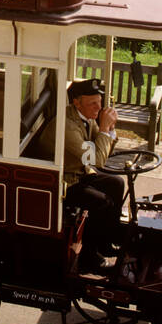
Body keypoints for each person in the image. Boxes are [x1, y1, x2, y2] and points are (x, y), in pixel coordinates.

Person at [62, 78, 125, 269]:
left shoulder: (86, 116)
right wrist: (105, 128)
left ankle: (105, 243)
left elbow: (101, 149)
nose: (98, 108)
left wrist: (109, 129)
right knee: (101, 202)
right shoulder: (68, 126)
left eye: (100, 102)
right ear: (76, 102)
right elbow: (96, 160)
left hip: (79, 172)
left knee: (117, 183)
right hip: (64, 182)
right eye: (93, 103)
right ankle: (89, 258)